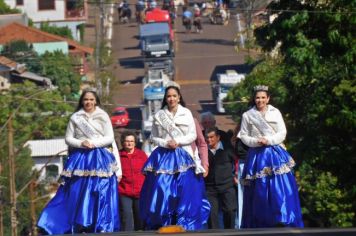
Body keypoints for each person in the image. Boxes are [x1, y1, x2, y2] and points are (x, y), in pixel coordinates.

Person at [37, 88, 122, 234]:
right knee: (78, 190)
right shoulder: (75, 117)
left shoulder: (103, 116)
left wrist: (94, 143)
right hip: (81, 158)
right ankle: (80, 223)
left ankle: (100, 224)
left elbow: (109, 137)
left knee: (100, 190)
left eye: (91, 99)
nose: (88, 102)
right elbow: (68, 138)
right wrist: (81, 143)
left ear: (96, 101)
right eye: (85, 99)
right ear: (82, 101)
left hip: (100, 157)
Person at [139, 85, 211, 230]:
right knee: (162, 188)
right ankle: (165, 222)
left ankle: (185, 224)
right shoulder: (159, 115)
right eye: (168, 96)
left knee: (185, 190)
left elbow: (193, 135)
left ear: (179, 98)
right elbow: (154, 137)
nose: (171, 99)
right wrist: (166, 143)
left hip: (184, 156)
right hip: (164, 157)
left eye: (174, 96)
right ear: (165, 98)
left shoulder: (187, 113)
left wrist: (178, 142)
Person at [240, 85, 304, 228]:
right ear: (254, 99)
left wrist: (269, 140)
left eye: (263, 97)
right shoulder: (247, 115)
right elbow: (243, 135)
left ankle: (282, 216)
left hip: (275, 152)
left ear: (268, 98)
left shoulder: (276, 112)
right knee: (259, 188)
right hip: (257, 155)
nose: (260, 100)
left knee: (280, 185)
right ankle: (261, 219)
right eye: (257, 97)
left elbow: (282, 133)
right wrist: (256, 141)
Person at [205, 127, 237, 229]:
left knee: (230, 211)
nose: (209, 140)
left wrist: (236, 174)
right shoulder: (203, 152)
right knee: (211, 213)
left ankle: (230, 233)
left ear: (218, 137)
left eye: (211, 137)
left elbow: (237, 162)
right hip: (210, 187)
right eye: (207, 137)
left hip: (227, 185)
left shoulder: (228, 148)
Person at [118, 131, 148, 231]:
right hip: (124, 191)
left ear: (135, 142)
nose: (129, 143)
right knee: (126, 214)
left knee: (139, 216)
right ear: (123, 142)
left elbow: (147, 171)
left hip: (140, 191)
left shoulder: (142, 155)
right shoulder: (118, 156)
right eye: (127, 141)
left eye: (131, 141)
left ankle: (140, 232)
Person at [230, 123, 248, 229]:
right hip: (241, 168)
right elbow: (237, 156)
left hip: (249, 166)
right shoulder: (238, 137)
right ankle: (241, 224)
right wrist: (235, 173)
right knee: (241, 196)